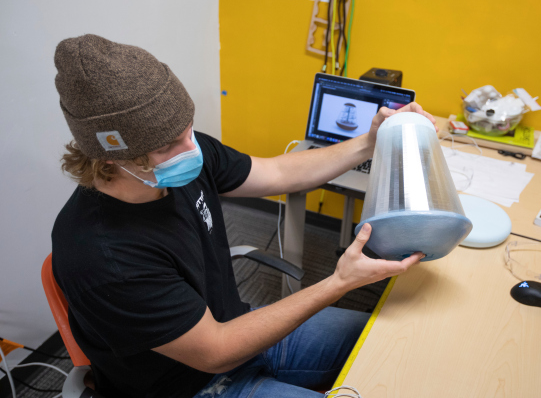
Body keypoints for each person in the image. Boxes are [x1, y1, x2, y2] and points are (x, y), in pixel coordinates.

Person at [51, 34, 436, 398]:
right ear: (112, 157)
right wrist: (338, 283)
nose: (192, 149)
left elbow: (279, 172)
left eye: (188, 130)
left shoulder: (182, 153)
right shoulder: (101, 255)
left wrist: (369, 142)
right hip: (189, 385)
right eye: (169, 145)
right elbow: (216, 351)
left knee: (396, 341)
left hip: (236, 327)